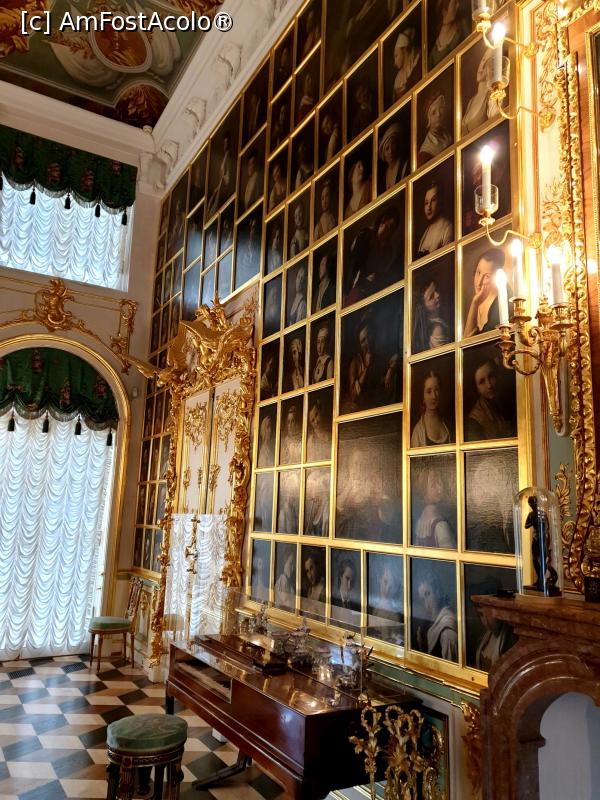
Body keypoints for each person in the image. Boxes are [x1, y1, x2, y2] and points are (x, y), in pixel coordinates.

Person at [465, 357, 516, 440]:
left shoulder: (507, 402)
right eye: (482, 382)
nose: (489, 385)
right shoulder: (474, 421)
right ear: (477, 389)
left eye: (491, 376)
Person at [416, 571, 458, 660]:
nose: (426, 604)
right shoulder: (427, 623)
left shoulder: (447, 631)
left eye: (428, 594)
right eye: (422, 599)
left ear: (438, 592)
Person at [463, 248, 505, 337]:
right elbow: (466, 340)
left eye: (487, 276)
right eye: (478, 272)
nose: (479, 282)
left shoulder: (500, 304)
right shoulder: (479, 301)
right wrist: (475, 303)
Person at [413, 462, 455, 547]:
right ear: (423, 491)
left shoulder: (421, 520)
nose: (440, 488)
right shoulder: (441, 525)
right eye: (433, 485)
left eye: (440, 482)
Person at [462, 48, 500, 134]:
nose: (482, 66)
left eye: (488, 61)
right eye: (483, 60)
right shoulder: (471, 101)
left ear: (494, 68)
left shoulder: (492, 96)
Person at [410, 371, 452, 446]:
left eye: (436, 390)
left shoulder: (447, 425)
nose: (434, 396)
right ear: (423, 397)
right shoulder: (417, 432)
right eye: (429, 392)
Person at [412, 277, 452, 353]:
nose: (437, 295)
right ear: (424, 306)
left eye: (437, 290)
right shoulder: (437, 329)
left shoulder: (440, 320)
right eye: (431, 296)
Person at [429, 0, 469, 69]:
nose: (458, 5)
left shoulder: (462, 25)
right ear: (444, 12)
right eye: (454, 3)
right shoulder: (433, 53)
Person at [369, 562, 403, 643]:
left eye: (390, 586)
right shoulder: (373, 605)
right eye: (385, 582)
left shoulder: (394, 616)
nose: (387, 589)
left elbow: (394, 641)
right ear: (379, 579)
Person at [417, 181, 453, 257]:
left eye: (433, 200)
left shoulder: (447, 228)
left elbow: (447, 259)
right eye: (426, 203)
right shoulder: (427, 230)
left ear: (441, 202)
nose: (429, 207)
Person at [418, 91, 452, 166]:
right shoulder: (425, 153)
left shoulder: (447, 132)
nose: (439, 114)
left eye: (441, 109)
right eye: (433, 112)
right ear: (428, 120)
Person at [392, 27, 421, 101]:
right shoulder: (398, 79)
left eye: (396, 55)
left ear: (404, 50)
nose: (395, 62)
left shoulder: (418, 63)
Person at [208, 133, 233, 217]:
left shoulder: (228, 157)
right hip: (220, 188)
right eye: (225, 143)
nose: (225, 145)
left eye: (227, 143)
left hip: (223, 190)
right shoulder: (225, 156)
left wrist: (221, 185)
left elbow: (227, 179)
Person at [378, 123, 409, 192]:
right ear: (383, 155)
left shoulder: (405, 165)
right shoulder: (383, 178)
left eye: (393, 145)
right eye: (387, 148)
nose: (391, 151)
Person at [333, 559, 360, 626]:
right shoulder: (333, 601)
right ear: (340, 576)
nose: (349, 586)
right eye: (347, 579)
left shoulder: (356, 605)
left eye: (352, 581)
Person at [304, 470, 330, 536]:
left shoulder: (327, 506)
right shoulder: (314, 504)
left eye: (312, 487)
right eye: (309, 487)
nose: (310, 492)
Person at [306, 397, 331, 461]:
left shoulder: (331, 432)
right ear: (311, 424)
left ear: (321, 411)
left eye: (316, 414)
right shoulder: (311, 441)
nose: (316, 421)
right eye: (312, 420)